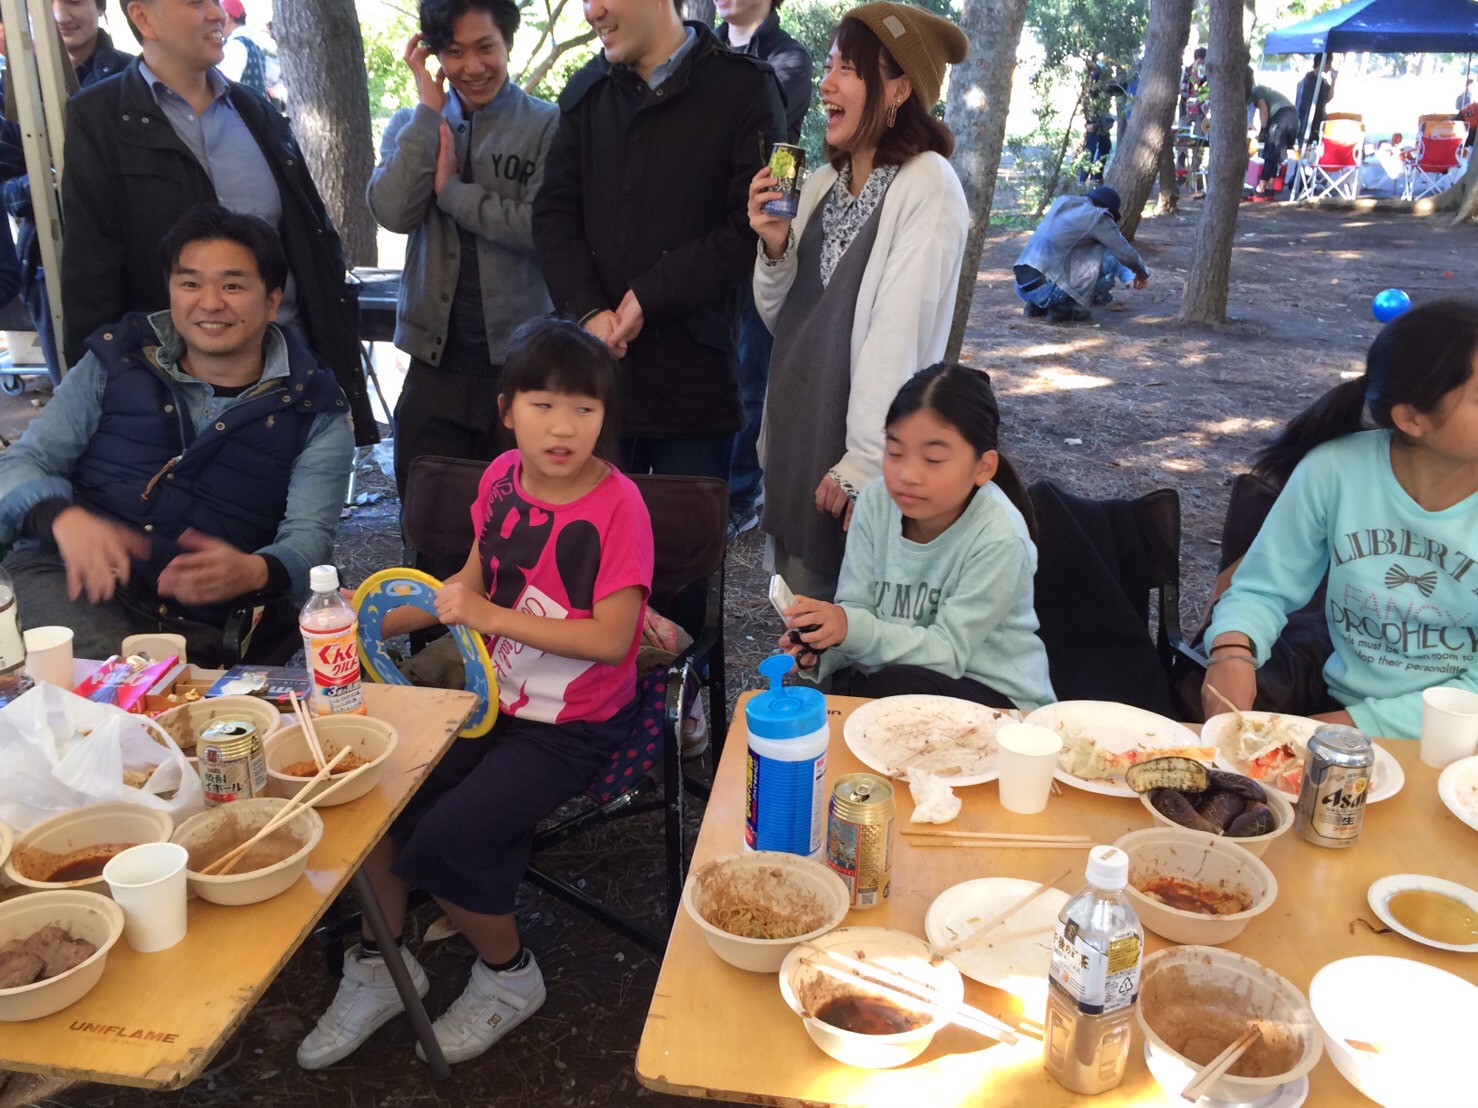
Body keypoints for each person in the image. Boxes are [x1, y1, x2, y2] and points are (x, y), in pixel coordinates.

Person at [297, 317, 652, 1069]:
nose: (563, 427)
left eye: (584, 408)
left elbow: (612, 639)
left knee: (450, 837)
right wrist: (372, 616)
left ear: (606, 416)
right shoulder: (500, 480)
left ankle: (510, 977)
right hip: (487, 699)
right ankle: (383, 962)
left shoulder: (619, 507)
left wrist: (488, 617)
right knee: (367, 797)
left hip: (574, 725)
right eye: (542, 404)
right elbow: (469, 584)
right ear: (507, 410)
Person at [0, 205, 353, 665]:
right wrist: (60, 518)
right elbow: (23, 462)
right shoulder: (116, 361)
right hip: (70, 581)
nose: (210, 303)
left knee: (150, 695)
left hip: (200, 620)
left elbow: (309, 539)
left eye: (232, 285)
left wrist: (254, 570)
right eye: (190, 284)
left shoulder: (316, 408)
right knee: (94, 684)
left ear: (272, 300)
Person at [60, 0, 377, 445]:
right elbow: (88, 280)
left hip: (289, 381)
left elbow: (313, 248)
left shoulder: (256, 111)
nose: (216, 14)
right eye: (196, 2)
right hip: (175, 399)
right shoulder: (101, 116)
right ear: (143, 17)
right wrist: (104, 407)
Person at [748, 1, 968, 601]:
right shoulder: (821, 184)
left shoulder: (927, 184)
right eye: (828, 66)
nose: (826, 84)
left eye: (847, 68)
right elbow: (782, 318)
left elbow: (899, 332)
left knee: (846, 626)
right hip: (796, 439)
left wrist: (865, 461)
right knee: (797, 620)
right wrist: (774, 247)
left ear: (898, 89)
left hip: (851, 458)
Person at [532, 0, 787, 482]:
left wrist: (650, 296)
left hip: (693, 391)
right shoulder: (588, 91)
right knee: (587, 530)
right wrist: (588, 310)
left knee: (685, 529)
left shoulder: (745, 87)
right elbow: (553, 216)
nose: (591, 11)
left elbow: (752, 225)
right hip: (592, 381)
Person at [1201, 300, 1478, 740]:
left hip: (1457, 735)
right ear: (1411, 418)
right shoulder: (1335, 471)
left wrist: (1343, 729)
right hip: (1337, 705)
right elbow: (1262, 588)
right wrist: (1232, 651)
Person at [367, 0, 558, 527]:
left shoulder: (546, 124)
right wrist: (428, 114)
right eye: (454, 52)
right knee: (430, 517)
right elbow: (392, 212)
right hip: (433, 365)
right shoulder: (411, 124)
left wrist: (451, 192)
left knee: (522, 523)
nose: (472, 67)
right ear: (433, 54)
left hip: (520, 362)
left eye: (485, 48)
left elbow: (542, 228)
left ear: (508, 43)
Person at [777, 363, 1054, 711]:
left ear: (983, 467)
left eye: (933, 459)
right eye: (895, 452)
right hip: (904, 683)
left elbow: (948, 652)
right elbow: (859, 609)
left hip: (1000, 702)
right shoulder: (876, 502)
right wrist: (824, 645)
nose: (908, 474)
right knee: (883, 688)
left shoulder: (999, 536)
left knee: (891, 686)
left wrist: (849, 629)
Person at [714, 0, 813, 540]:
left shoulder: (789, 58)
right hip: (705, 238)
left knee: (751, 373)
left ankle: (739, 496)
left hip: (762, 236)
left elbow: (767, 139)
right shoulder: (701, 45)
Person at [0, 0, 131, 383]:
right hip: (47, 266)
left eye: (73, 1)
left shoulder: (133, 76)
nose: (60, 15)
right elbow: (6, 189)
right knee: (74, 389)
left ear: (100, 7)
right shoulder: (14, 87)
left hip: (130, 257)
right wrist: (39, 185)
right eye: (47, 3)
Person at [1012, 186, 1149, 324]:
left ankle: (1036, 306)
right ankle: (1066, 308)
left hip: (1021, 286)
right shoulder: (1097, 216)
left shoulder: (1062, 203)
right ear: (1107, 209)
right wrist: (1141, 274)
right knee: (1108, 258)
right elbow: (1123, 252)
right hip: (1049, 291)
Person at [1247, 70, 1298, 202]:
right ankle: (1269, 187)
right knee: (1275, 154)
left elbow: (1263, 109)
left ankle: (1260, 189)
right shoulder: (1263, 91)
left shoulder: (1256, 90)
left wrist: (1263, 130)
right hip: (1292, 118)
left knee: (1270, 152)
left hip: (1283, 117)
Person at [218, 0, 283, 105]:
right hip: (262, 108)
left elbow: (225, 88)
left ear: (227, 17)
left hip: (243, 111)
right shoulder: (260, 39)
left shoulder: (234, 46)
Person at [1294, 53, 1335, 146]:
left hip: (1317, 124)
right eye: (1329, 63)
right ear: (1322, 63)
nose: (1330, 67)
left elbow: (1328, 97)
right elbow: (1303, 107)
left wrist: (1333, 82)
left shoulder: (1322, 82)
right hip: (1308, 126)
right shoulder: (1308, 82)